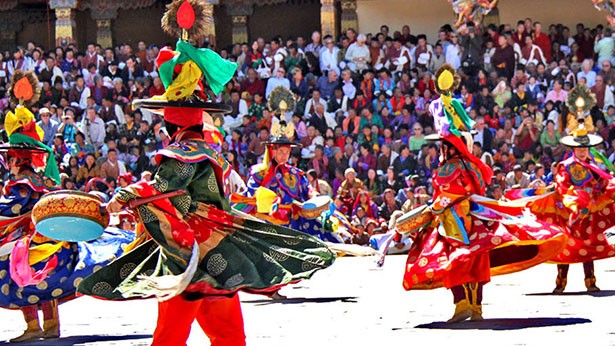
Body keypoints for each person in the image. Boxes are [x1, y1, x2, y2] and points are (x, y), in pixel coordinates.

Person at [79, 9, 334, 346]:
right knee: (228, 334)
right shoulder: (208, 150)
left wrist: (119, 199)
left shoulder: (185, 152)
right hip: (218, 251)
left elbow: (162, 186)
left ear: (172, 123)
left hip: (190, 252)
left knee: (171, 335)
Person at [394, 65, 566, 323]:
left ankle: (464, 304)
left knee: (455, 260)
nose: (441, 149)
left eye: (443, 145)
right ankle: (475, 307)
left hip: (454, 221)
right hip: (475, 219)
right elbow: (471, 188)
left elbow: (452, 192)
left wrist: (434, 208)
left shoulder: (449, 168)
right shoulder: (471, 165)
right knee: (475, 260)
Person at [0, 70, 131, 343]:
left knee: (18, 278)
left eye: (9, 157)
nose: (8, 163)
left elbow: (10, 211)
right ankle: (49, 325)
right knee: (45, 285)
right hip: (54, 241)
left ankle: (36, 326)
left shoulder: (21, 184)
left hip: (32, 244)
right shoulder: (42, 178)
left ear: (16, 158)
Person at [522, 117, 615, 293]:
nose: (582, 151)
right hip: (570, 212)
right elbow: (562, 186)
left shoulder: (593, 165)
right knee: (566, 246)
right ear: (573, 148)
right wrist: (576, 199)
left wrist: (604, 188)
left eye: (585, 147)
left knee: (588, 245)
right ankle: (561, 282)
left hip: (589, 211)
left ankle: (590, 281)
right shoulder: (566, 166)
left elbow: (602, 184)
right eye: (579, 148)